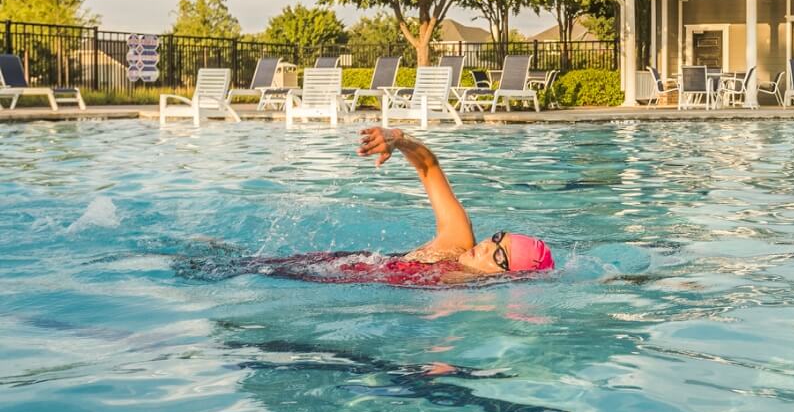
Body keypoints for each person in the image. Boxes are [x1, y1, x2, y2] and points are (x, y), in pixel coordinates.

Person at [181, 127, 555, 287]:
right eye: (497, 238)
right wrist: (399, 138)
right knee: (212, 267)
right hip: (321, 267)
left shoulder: (460, 299)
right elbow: (429, 167)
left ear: (509, 277)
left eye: (501, 256)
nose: (488, 245)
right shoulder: (456, 242)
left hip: (323, 286)